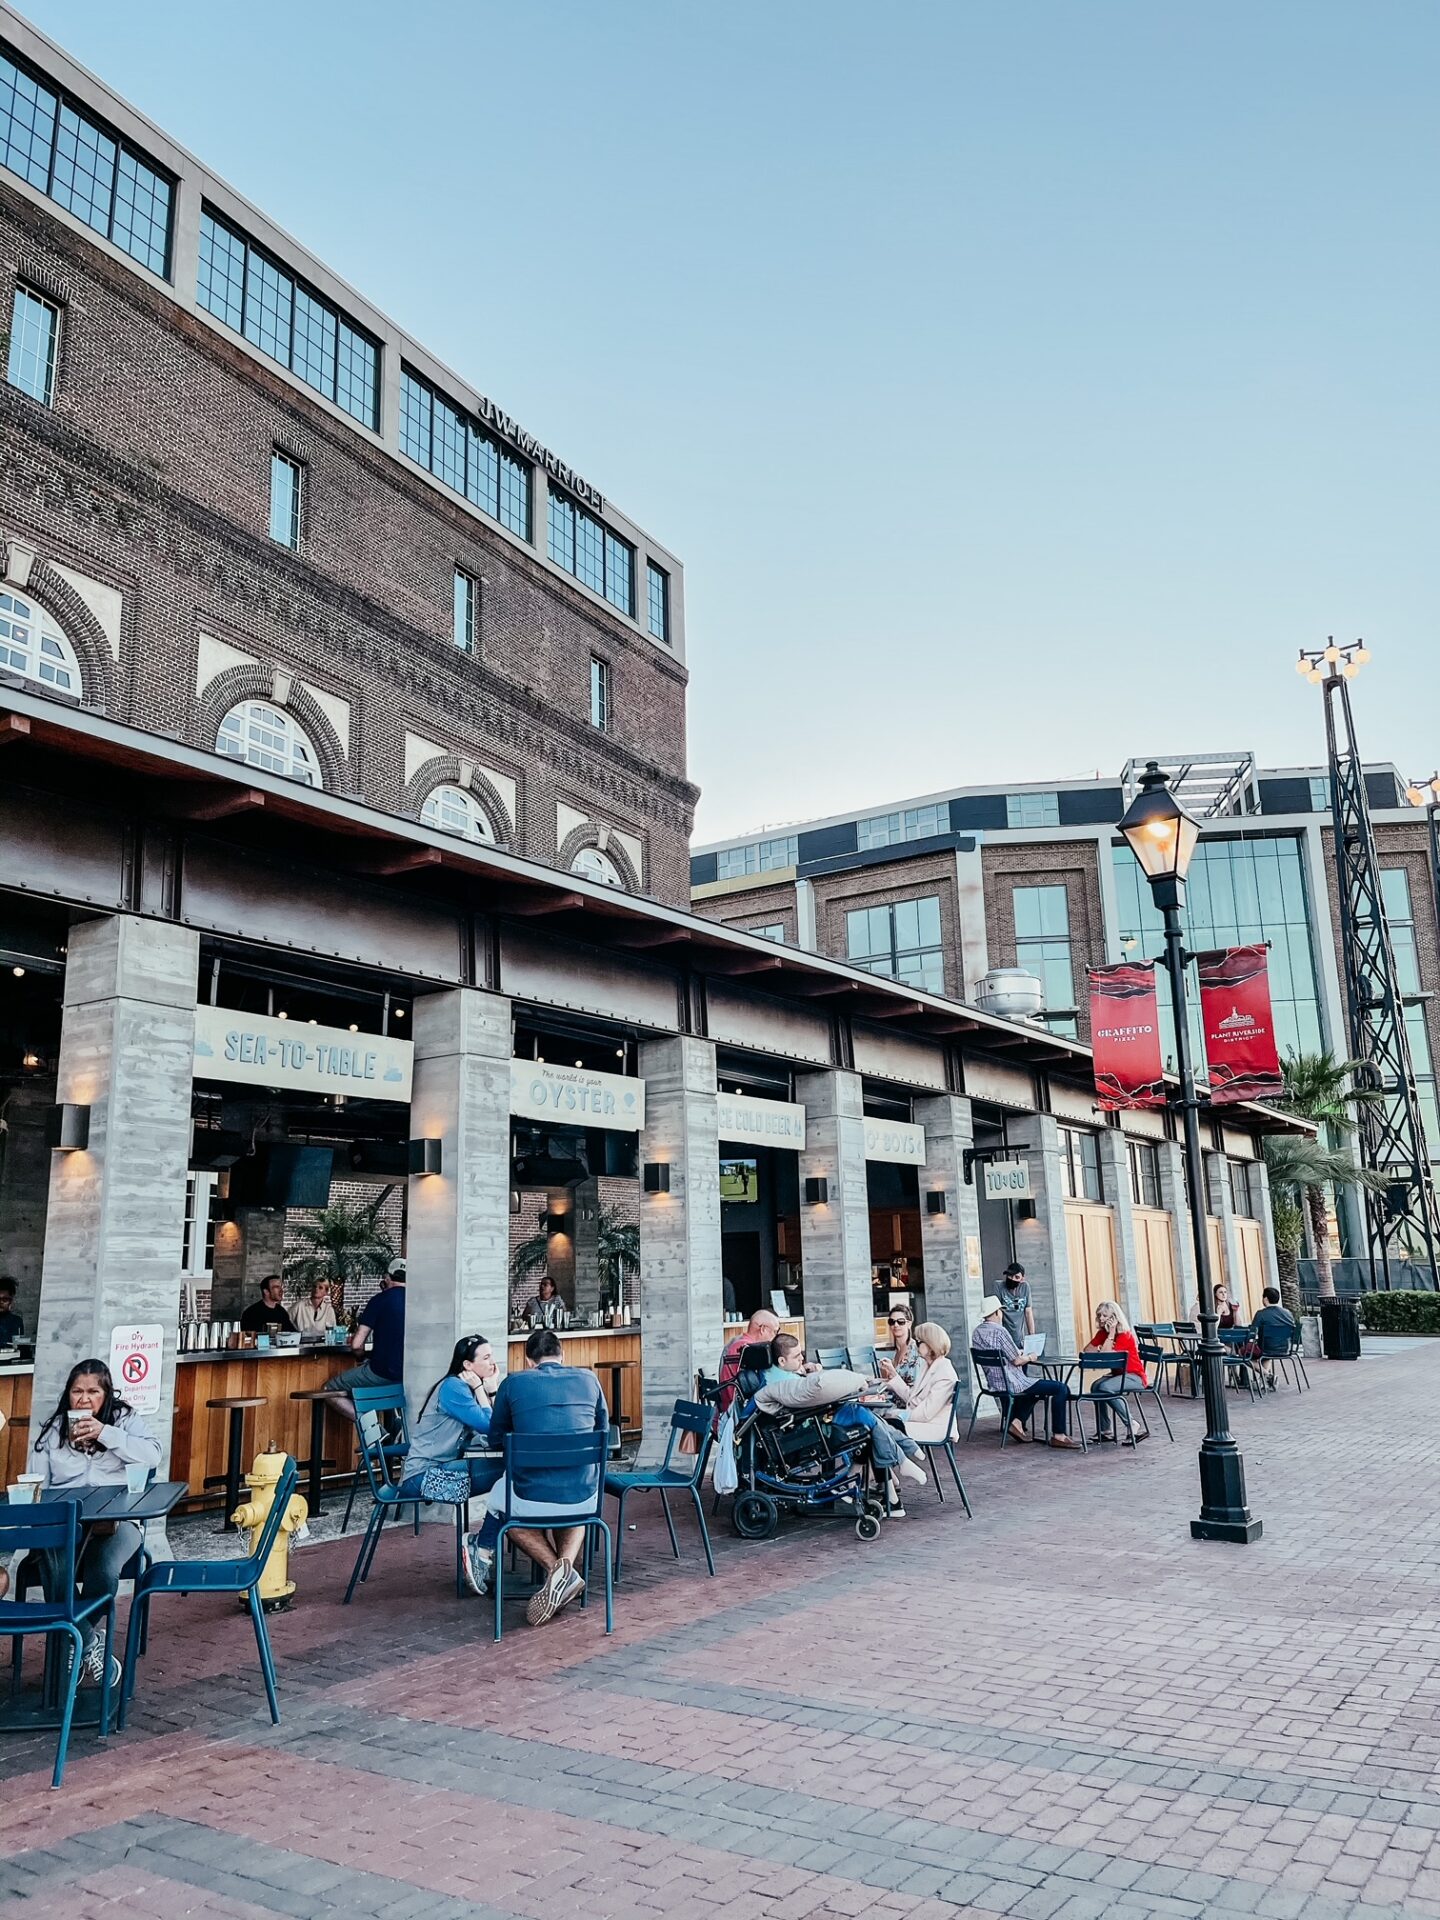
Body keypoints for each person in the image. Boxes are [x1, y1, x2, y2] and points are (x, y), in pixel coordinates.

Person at [460, 1327, 608, 1625]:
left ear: (529, 1360)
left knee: (506, 1512)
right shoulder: (589, 1379)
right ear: (562, 1355)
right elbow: (602, 1430)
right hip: (583, 1499)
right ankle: (564, 1573)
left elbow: (497, 1438)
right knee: (572, 1507)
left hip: (530, 1498)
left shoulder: (514, 1383)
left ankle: (559, 1572)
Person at [29, 1359, 162, 1686]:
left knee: (102, 1567)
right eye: (77, 1392)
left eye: (93, 1392)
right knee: (52, 1561)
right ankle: (87, 1641)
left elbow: (152, 1456)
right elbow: (37, 1485)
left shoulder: (124, 1420)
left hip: (117, 1522)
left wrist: (106, 1433)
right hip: (66, 1524)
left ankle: (74, 1640)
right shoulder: (53, 1429)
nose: (84, 1399)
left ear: (107, 1394)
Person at [754, 1334, 927, 1513]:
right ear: (782, 1360)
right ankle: (903, 1456)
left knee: (870, 1421)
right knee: (865, 1419)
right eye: (797, 1356)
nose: (802, 1359)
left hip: (815, 1419)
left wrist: (805, 1370)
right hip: (812, 1427)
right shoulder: (782, 1383)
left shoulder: (780, 1375)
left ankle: (897, 1473)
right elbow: (804, 1396)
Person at [399, 1334, 503, 1510]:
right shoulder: (454, 1387)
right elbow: (490, 1427)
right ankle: (489, 1537)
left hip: (440, 1469)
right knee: (512, 1471)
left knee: (509, 1473)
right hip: (423, 1477)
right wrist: (483, 1390)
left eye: (491, 1355)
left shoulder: (461, 1387)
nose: (493, 1362)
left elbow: (496, 1425)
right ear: (468, 1365)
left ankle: (488, 1536)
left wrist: (491, 1391)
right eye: (486, 1358)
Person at [971, 1296, 1077, 1447]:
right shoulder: (1000, 1331)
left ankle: (1017, 1422)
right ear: (996, 1312)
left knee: (1035, 1391)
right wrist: (1030, 1356)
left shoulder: (977, 1332)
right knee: (1061, 1388)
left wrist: (1020, 1354)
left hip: (994, 1383)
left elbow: (1003, 1354)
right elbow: (1016, 1360)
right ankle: (1058, 1435)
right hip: (1012, 1382)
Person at [325, 1264, 406, 1401]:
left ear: (386, 1278)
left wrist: (361, 1358)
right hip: (409, 1375)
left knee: (329, 1389)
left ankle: (366, 1422)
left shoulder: (379, 1300)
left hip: (382, 1372)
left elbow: (357, 1345)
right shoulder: (418, 1301)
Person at [880, 1322, 960, 1442]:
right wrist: (893, 1375)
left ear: (930, 1344)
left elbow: (926, 1413)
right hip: (922, 1423)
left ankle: (894, 1460)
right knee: (878, 1426)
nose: (915, 1345)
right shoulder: (928, 1366)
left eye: (918, 1342)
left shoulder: (944, 1373)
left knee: (882, 1429)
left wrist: (899, 1414)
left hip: (933, 1427)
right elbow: (912, 1396)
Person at [1082, 1300, 1148, 1441]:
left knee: (1105, 1387)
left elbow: (1106, 1357)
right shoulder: (1102, 1333)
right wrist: (1102, 1344)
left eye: (1105, 1316)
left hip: (1134, 1377)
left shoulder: (1125, 1335)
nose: (1101, 1319)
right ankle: (1105, 1430)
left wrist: (1111, 1334)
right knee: (1095, 1386)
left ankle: (1131, 1423)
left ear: (1114, 1317)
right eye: (1099, 1315)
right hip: (1118, 1375)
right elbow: (1087, 1351)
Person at [717, 1307, 781, 1417]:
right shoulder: (749, 1349)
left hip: (729, 1407)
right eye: (775, 1331)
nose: (775, 1337)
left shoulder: (736, 1342)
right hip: (739, 1412)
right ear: (763, 1329)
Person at [1250, 1287, 1299, 1390]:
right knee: (1267, 1350)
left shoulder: (1261, 1314)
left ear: (1265, 1299)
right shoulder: (1288, 1313)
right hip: (1285, 1348)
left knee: (1243, 1355)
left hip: (1266, 1348)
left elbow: (1252, 1332)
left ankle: (1268, 1376)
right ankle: (1264, 1380)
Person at [883, 1303, 925, 1387]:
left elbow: (914, 1386)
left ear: (909, 1324)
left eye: (901, 1322)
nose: (896, 1325)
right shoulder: (898, 1350)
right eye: (891, 1322)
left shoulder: (914, 1351)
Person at [997, 1263, 1035, 1344]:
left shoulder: (1025, 1287)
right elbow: (998, 1311)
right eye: (1010, 1276)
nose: (1012, 1279)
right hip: (1004, 1336)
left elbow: (1028, 1312)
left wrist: (1032, 1337)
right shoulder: (999, 1286)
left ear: (1022, 1279)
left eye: (1016, 1277)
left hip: (1019, 1337)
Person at [0, 1276, 23, 1345]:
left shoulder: (16, 1321)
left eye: (5, 1299)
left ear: (11, 1301)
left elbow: (19, 1347)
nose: (1, 1302)